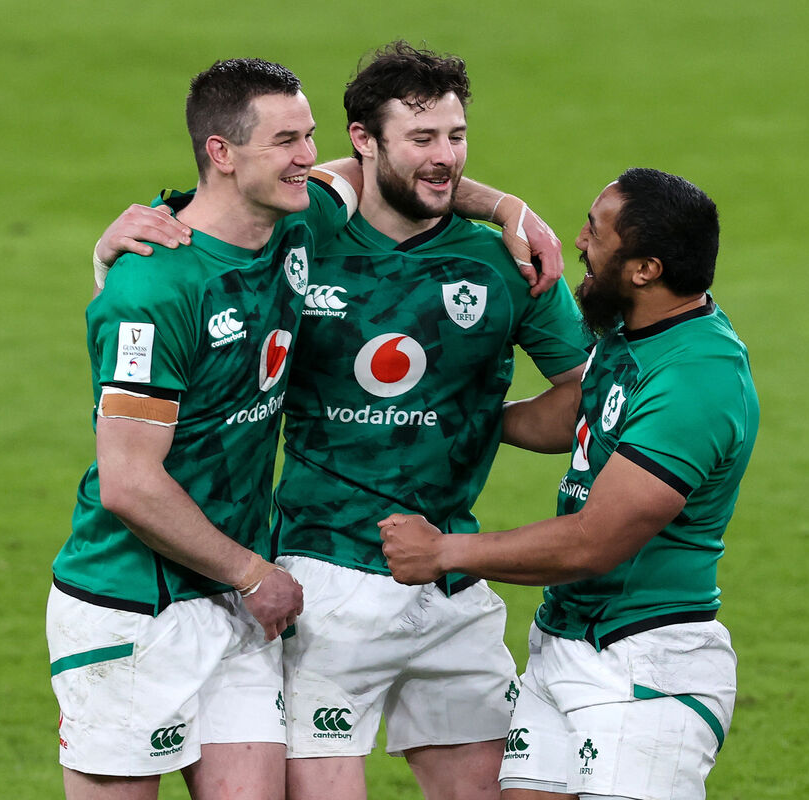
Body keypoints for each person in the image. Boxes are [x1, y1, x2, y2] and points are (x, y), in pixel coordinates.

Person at [93, 41, 592, 800]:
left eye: (456, 137)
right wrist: (123, 244)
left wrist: (484, 416)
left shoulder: (506, 263)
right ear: (364, 142)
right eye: (421, 139)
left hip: (451, 574)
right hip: (322, 577)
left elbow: (585, 398)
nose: (445, 158)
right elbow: (217, 228)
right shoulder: (302, 232)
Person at [379, 168, 759, 800]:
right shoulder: (636, 336)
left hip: (644, 663)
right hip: (567, 640)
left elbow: (593, 542)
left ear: (645, 269)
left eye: (596, 232)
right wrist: (452, 419)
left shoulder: (698, 377)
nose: (580, 241)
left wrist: (444, 552)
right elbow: (576, 414)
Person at [46, 58, 355, 800]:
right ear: (221, 152)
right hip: (133, 608)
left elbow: (381, 170)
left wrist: (508, 210)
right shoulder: (153, 286)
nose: (307, 158)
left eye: (309, 137)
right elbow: (128, 483)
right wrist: (254, 572)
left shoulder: (300, 215)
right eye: (286, 141)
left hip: (231, 599)